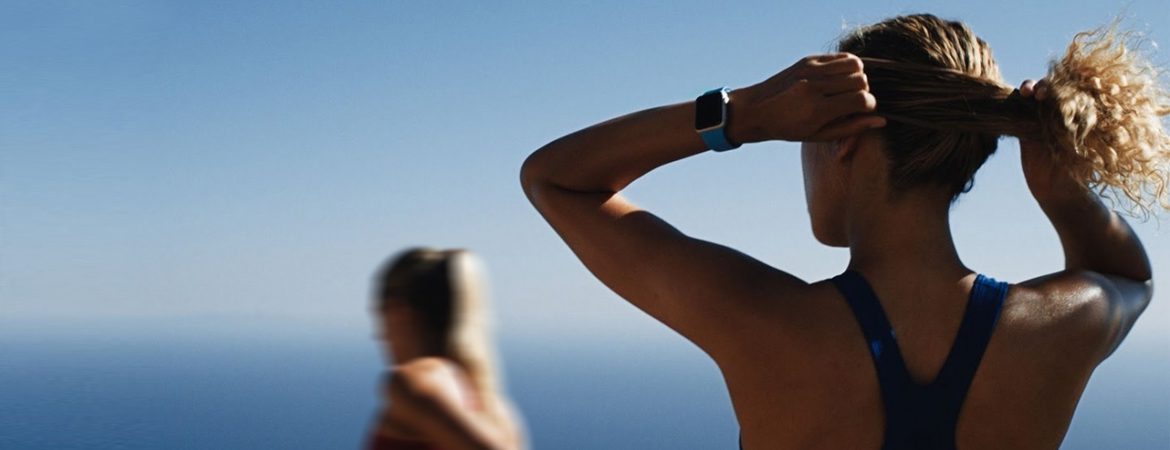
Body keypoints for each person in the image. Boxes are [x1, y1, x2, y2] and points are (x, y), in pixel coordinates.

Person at [520, 13, 1167, 450]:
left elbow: (556, 179)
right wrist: (1060, 192)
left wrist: (744, 114)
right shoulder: (1058, 328)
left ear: (846, 142)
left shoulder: (764, 324)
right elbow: (1129, 276)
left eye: (803, 135)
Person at [367, 248, 526, 450]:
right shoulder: (495, 407)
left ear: (399, 311)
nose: (380, 337)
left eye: (380, 317)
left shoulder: (414, 382)